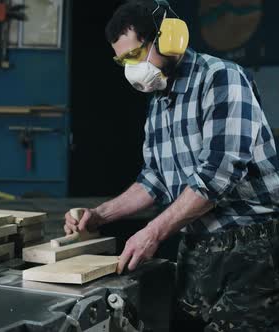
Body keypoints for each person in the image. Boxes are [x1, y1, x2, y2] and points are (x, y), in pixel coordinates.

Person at [63, 0, 279, 330]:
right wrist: (99, 215)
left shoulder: (221, 79)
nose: (129, 68)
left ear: (168, 39)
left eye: (134, 55)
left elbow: (217, 175)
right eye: (122, 61)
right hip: (196, 246)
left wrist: (153, 232)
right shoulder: (159, 100)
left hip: (251, 248)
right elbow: (154, 180)